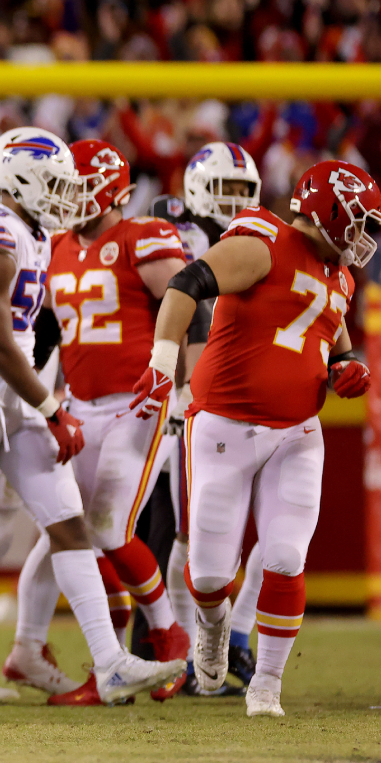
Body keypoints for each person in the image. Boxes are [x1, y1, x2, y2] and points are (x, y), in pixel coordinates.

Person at [0, 126, 185, 709]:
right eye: (54, 180)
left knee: (68, 519)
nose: (64, 194)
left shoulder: (36, 234)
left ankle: (110, 665)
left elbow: (25, 340)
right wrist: (53, 407)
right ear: (24, 177)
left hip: (15, 396)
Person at [130, 160, 381, 718]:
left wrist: (347, 367)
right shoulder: (265, 239)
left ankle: (267, 683)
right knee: (210, 574)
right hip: (224, 424)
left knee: (287, 556)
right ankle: (213, 628)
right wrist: (161, 364)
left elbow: (329, 342)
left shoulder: (339, 274)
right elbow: (184, 285)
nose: (364, 236)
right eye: (358, 221)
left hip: (297, 432)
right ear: (330, 211)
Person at [32, 139, 192, 704]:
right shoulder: (55, 246)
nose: (64, 198)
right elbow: (48, 329)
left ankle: (169, 635)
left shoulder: (141, 236)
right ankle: (113, 667)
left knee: (106, 527)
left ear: (108, 187)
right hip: (78, 405)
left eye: (73, 185)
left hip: (139, 403)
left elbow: (193, 305)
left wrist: (187, 383)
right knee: (76, 535)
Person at [149, 141, 264, 695]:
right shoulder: (175, 228)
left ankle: (234, 636)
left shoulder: (264, 240)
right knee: (187, 533)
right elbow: (181, 301)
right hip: (191, 393)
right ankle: (188, 650)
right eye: (225, 187)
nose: (234, 200)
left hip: (251, 390)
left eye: (244, 190)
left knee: (277, 530)